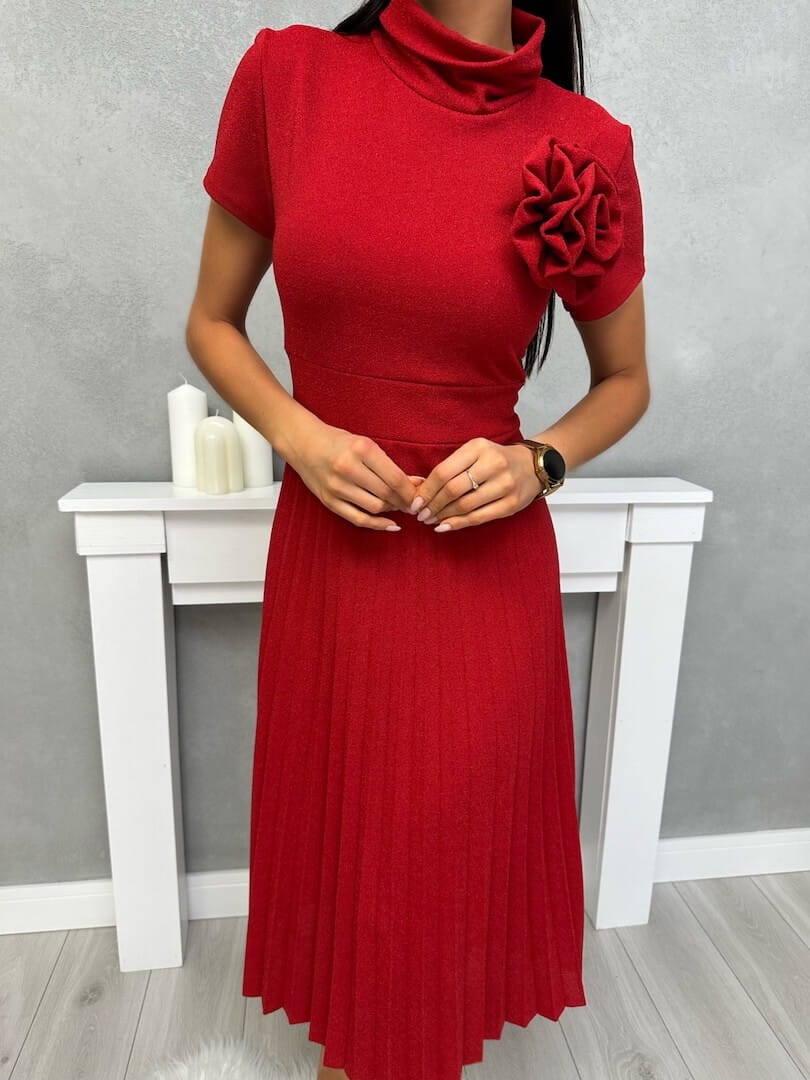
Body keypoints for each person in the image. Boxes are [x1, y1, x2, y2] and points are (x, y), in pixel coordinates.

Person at [185, 1, 649, 1079]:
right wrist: (298, 435)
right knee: (353, 888)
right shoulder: (289, 79)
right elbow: (211, 320)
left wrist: (539, 462)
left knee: (434, 901)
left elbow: (626, 382)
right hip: (334, 563)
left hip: (482, 581)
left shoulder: (585, 142)